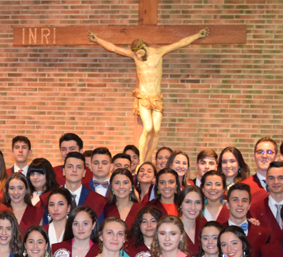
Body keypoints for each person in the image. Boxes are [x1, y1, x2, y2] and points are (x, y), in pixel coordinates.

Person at [87, 28, 209, 161]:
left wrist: (197, 35)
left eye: (140, 53)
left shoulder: (158, 52)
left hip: (156, 97)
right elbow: (114, 48)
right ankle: (140, 160)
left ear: (144, 47)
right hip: (144, 96)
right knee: (148, 127)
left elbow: (179, 43)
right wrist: (97, 39)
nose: (139, 56)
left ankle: (146, 159)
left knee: (156, 130)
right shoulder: (134, 56)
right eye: (136, 54)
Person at [224, 183, 270, 257]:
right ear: (227, 205)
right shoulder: (218, 232)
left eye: (244, 200)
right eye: (235, 200)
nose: (240, 204)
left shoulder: (263, 234)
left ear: (249, 206)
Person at [178, 186, 205, 255]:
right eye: (188, 202)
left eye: (197, 202)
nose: (193, 207)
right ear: (180, 204)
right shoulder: (172, 228)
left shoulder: (204, 227)